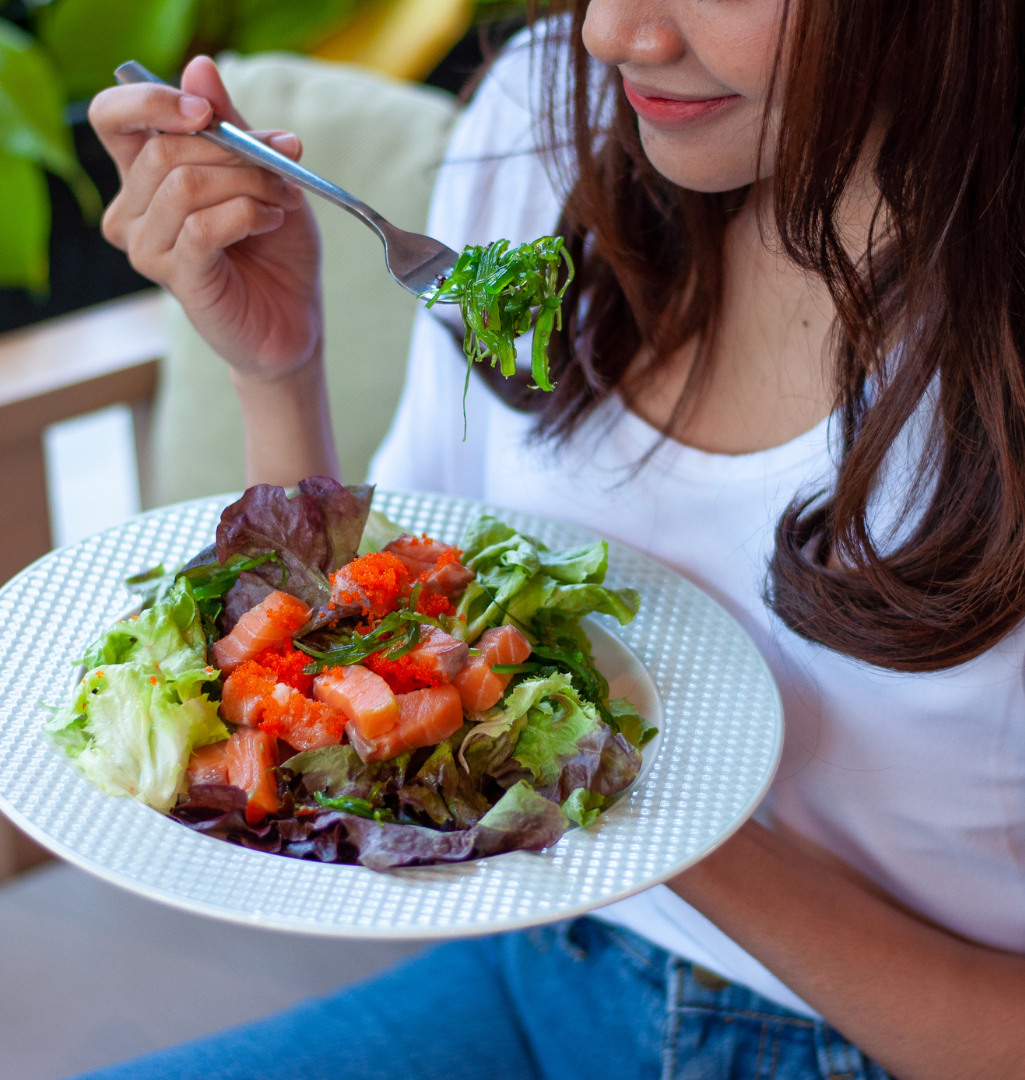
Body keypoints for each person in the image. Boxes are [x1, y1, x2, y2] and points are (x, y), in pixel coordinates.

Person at [80, 1, 1025, 1077]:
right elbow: (368, 625)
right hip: (543, 967)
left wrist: (627, 794)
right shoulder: (544, 119)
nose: (614, 34)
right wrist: (276, 368)